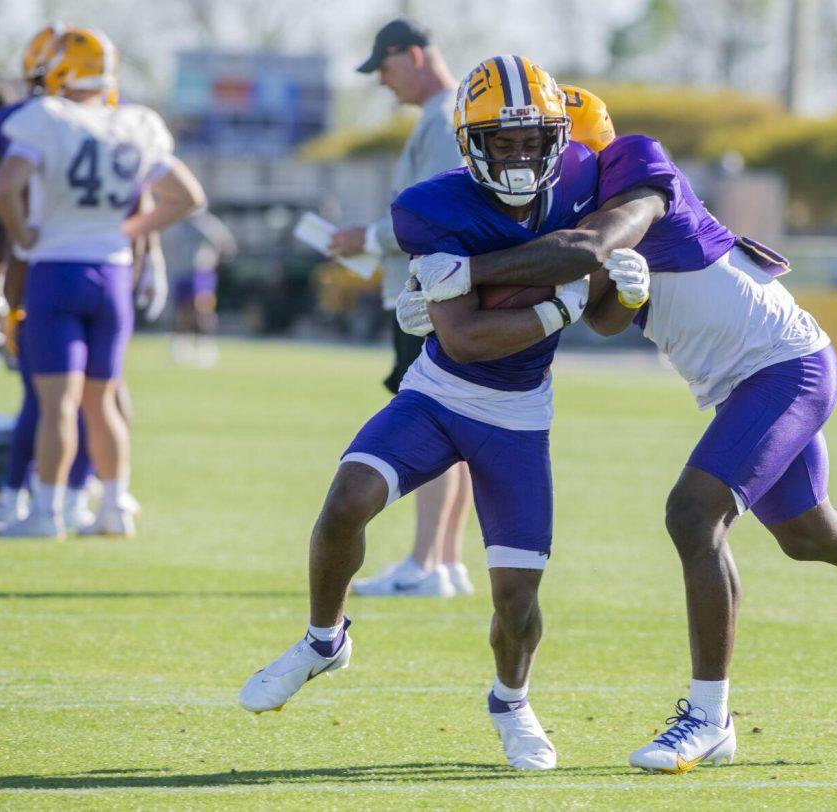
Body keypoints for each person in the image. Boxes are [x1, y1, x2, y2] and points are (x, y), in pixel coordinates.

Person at [413, 132, 837, 773]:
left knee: (693, 515)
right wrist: (440, 294)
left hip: (783, 365)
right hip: (741, 379)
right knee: (812, 532)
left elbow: (588, 246)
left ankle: (709, 718)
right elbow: (605, 317)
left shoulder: (633, 172)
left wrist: (463, 270)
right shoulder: (568, 218)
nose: (534, 166)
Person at [240, 56, 606, 771]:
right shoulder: (430, 207)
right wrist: (570, 299)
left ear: (557, 139)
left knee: (516, 601)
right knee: (346, 500)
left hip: (520, 415)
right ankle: (324, 641)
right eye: (503, 141)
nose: (522, 154)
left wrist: (615, 288)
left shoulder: (584, 190)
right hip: (439, 392)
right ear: (471, 145)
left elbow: (620, 293)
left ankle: (510, 701)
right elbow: (466, 340)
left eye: (534, 139)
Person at [0, 27, 205, 538]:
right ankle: (113, 506)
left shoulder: (45, 118)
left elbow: (7, 183)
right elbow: (187, 196)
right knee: (103, 398)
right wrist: (130, 231)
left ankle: (47, 513)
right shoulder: (134, 123)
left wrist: (23, 234)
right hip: (113, 274)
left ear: (60, 69)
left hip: (56, 269)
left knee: (55, 403)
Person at [333, 18, 473, 598]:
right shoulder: (447, 114)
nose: (384, 84)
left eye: (386, 69)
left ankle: (425, 564)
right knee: (457, 431)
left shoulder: (443, 119)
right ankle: (444, 561)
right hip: (430, 293)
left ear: (413, 56)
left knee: (433, 430)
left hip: (423, 298)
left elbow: (435, 219)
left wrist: (367, 238)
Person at [0, 23, 97, 533]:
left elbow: (6, 193)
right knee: (93, 393)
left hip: (39, 268)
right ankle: (86, 494)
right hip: (105, 270)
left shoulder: (26, 119)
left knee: (49, 392)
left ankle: (28, 498)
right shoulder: (116, 121)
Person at [166, 210, 236, 367]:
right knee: (182, 311)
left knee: (203, 310)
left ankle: (206, 346)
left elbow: (226, 243)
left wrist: (209, 259)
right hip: (182, 272)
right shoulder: (178, 222)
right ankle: (180, 345)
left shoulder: (206, 223)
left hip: (201, 274)